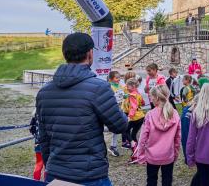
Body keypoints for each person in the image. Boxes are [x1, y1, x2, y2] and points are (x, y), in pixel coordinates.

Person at [36, 32, 127, 185]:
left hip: (55, 172)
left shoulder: (43, 92)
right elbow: (120, 125)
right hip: (89, 175)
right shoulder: (99, 88)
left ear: (65, 54)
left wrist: (50, 166)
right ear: (90, 53)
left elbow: (43, 139)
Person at [133, 85, 181, 186]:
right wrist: (175, 153)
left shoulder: (150, 115)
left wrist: (140, 155)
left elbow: (142, 138)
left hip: (152, 156)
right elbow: (177, 137)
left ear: (157, 98)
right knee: (167, 181)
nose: (150, 99)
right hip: (168, 155)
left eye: (151, 97)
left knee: (151, 180)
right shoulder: (175, 114)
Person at [124, 78, 146, 155]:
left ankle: (133, 144)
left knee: (125, 131)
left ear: (133, 86)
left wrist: (129, 117)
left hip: (135, 117)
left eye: (128, 86)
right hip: (141, 116)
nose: (126, 87)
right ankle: (137, 151)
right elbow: (143, 103)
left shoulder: (132, 96)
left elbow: (133, 107)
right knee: (133, 134)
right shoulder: (138, 93)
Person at [107, 71, 125, 157]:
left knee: (117, 127)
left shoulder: (120, 86)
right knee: (114, 127)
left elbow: (122, 95)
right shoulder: (110, 87)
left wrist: (126, 96)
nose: (118, 79)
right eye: (116, 78)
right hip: (113, 110)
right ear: (110, 79)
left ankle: (113, 146)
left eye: (119, 77)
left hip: (120, 109)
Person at [30, 110, 44, 181]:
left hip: (37, 143)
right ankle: (46, 182)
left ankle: (35, 182)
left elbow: (31, 129)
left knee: (38, 164)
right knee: (47, 166)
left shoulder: (35, 114)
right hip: (47, 144)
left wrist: (36, 137)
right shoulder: (49, 113)